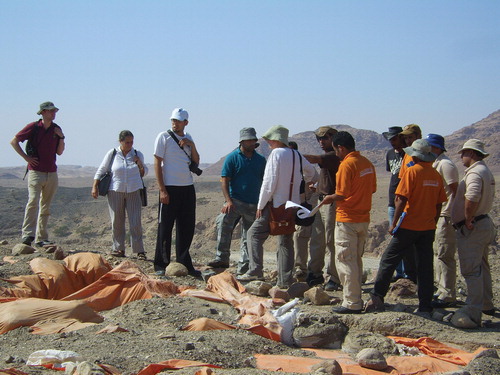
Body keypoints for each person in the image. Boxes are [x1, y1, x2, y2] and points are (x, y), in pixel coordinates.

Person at [365, 139, 447, 314]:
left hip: (409, 225)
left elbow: (401, 199)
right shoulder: (435, 175)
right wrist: (433, 219)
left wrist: (394, 223)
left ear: (415, 155)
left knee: (389, 259)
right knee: (425, 266)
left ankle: (377, 295)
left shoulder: (412, 172)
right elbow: (439, 203)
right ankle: (425, 305)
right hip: (427, 227)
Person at [238, 125, 317, 288]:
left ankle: (255, 270)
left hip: (276, 204)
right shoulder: (296, 154)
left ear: (275, 139)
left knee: (253, 234)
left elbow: (269, 182)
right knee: (286, 240)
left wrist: (261, 204)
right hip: (292, 204)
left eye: (269, 139)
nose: (267, 142)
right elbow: (312, 172)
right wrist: (307, 182)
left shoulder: (276, 154)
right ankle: (285, 280)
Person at [321, 131, 377, 314]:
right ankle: (356, 297)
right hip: (363, 218)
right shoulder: (366, 163)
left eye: (336, 150)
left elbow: (342, 194)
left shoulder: (346, 165)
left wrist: (329, 197)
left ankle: (352, 302)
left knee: (345, 260)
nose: (336, 153)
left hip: (347, 219)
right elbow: (373, 188)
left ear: (341, 148)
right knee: (356, 260)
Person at [207, 127, 266, 274]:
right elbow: (224, 180)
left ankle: (244, 267)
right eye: (249, 140)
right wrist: (228, 201)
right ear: (242, 141)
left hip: (254, 204)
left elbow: (265, 181)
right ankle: (222, 258)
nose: (252, 142)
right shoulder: (232, 157)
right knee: (223, 221)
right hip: (235, 201)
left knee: (248, 236)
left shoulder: (260, 160)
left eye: (253, 140)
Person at [153, 108, 201, 277]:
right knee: (165, 227)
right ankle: (161, 263)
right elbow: (157, 163)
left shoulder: (189, 138)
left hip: (187, 187)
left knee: (186, 226)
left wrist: (191, 145)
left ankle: (184, 262)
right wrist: (162, 189)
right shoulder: (163, 137)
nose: (175, 123)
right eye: (173, 120)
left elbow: (196, 160)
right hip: (170, 187)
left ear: (185, 122)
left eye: (178, 121)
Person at [10, 101, 65, 247]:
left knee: (45, 206)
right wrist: (26, 158)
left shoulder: (56, 129)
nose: (53, 113)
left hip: (51, 172)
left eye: (54, 111)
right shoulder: (33, 127)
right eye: (50, 111)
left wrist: (61, 137)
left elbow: (59, 152)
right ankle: (27, 235)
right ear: (43, 112)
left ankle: (42, 237)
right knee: (33, 202)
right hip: (36, 171)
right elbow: (14, 141)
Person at [451, 139, 496, 318]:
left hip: (474, 226)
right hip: (483, 223)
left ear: (471, 153)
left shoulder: (475, 173)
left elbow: (472, 196)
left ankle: (473, 311)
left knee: (471, 269)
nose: (461, 156)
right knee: (482, 266)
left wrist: (468, 219)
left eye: (463, 153)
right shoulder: (485, 171)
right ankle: (486, 304)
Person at [92, 130, 147, 259]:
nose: (130, 144)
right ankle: (118, 248)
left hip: (134, 190)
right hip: (115, 190)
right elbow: (102, 169)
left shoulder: (137, 154)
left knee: (135, 221)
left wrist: (139, 163)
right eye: (127, 142)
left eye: (131, 142)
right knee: (117, 220)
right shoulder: (112, 154)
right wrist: (95, 186)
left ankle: (139, 250)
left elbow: (143, 172)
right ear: (120, 141)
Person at [302, 126, 341, 291]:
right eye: (319, 139)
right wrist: (317, 186)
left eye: (324, 138)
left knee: (331, 241)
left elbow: (313, 158)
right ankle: (315, 273)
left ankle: (334, 276)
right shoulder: (327, 158)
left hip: (331, 202)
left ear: (334, 138)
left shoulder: (334, 156)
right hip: (321, 200)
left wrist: (292, 156)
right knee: (317, 239)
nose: (321, 142)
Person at [426, 134, 459, 308]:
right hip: (439, 215)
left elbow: (455, 191)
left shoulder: (446, 165)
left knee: (445, 255)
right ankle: (441, 289)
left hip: (446, 216)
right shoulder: (437, 163)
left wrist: (449, 214)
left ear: (436, 148)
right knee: (439, 252)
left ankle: (448, 293)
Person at [382, 126, 408, 281]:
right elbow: (392, 173)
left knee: (405, 237)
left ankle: (407, 272)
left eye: (394, 138)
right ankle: (399, 272)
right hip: (392, 200)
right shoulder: (390, 154)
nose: (392, 142)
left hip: (405, 200)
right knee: (395, 237)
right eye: (390, 139)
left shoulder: (409, 154)